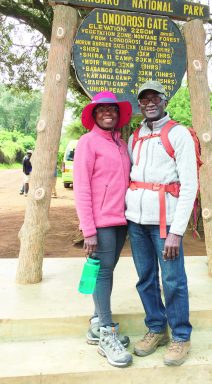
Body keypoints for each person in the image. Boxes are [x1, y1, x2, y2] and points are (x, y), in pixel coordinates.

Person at [125, 80, 198, 366]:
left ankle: (180, 335)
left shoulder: (178, 134)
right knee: (145, 279)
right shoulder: (135, 137)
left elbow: (189, 185)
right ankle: (157, 328)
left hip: (166, 225)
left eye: (156, 98)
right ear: (139, 105)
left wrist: (177, 232)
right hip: (137, 222)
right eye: (145, 99)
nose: (150, 103)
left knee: (173, 280)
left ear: (164, 101)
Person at [73, 91, 133, 368]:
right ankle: (106, 333)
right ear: (94, 115)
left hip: (121, 220)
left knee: (105, 270)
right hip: (101, 222)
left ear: (118, 115)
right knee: (102, 272)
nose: (108, 113)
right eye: (102, 110)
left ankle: (98, 323)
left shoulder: (121, 144)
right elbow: (82, 189)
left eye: (112, 109)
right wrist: (89, 230)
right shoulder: (88, 142)